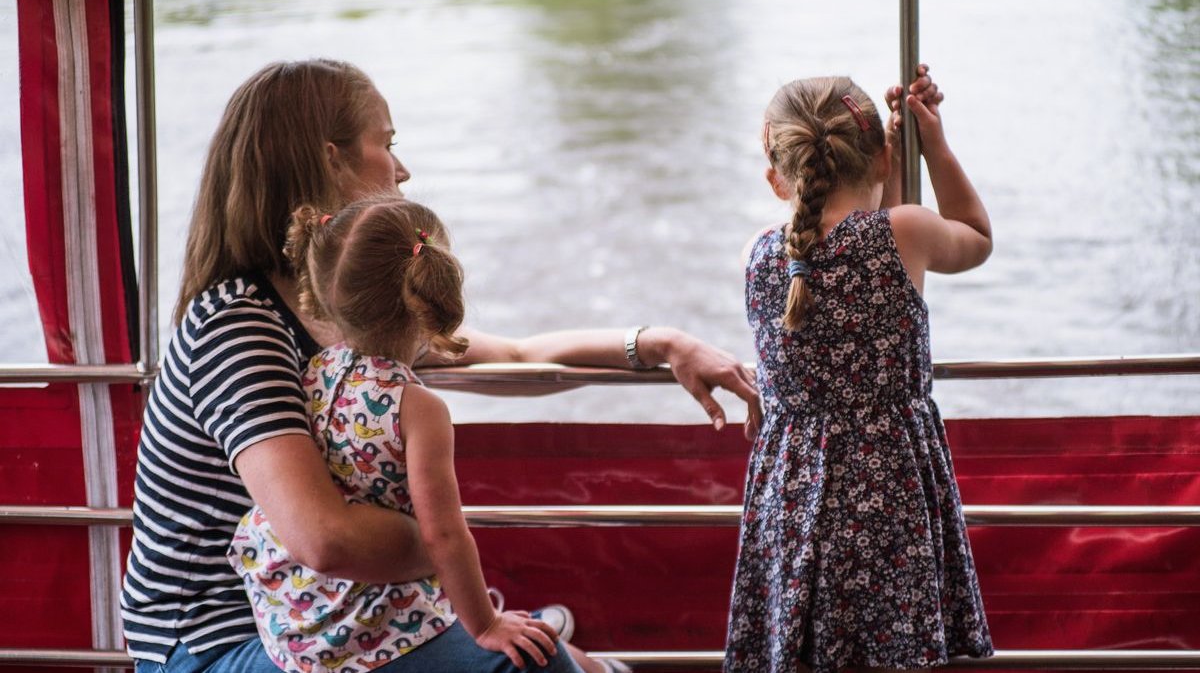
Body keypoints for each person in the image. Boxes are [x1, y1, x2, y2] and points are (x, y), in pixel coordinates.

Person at [120, 59, 756, 672]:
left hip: (332, 613)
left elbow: (517, 359)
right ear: (329, 156)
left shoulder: (344, 311)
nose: (403, 168)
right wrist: (455, 551)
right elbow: (325, 539)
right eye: (387, 143)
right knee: (531, 665)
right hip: (218, 640)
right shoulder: (238, 326)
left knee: (549, 656)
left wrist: (659, 344)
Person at [230, 195, 584, 673]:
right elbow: (443, 534)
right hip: (364, 626)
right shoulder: (418, 409)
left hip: (295, 616)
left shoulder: (313, 368)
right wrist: (486, 626)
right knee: (542, 657)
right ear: (429, 298)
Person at [723, 69, 994, 673]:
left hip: (796, 490)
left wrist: (890, 156)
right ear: (878, 161)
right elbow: (975, 237)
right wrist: (935, 147)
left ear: (777, 179)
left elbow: (868, 227)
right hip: (889, 489)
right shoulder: (905, 234)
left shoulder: (757, 256)